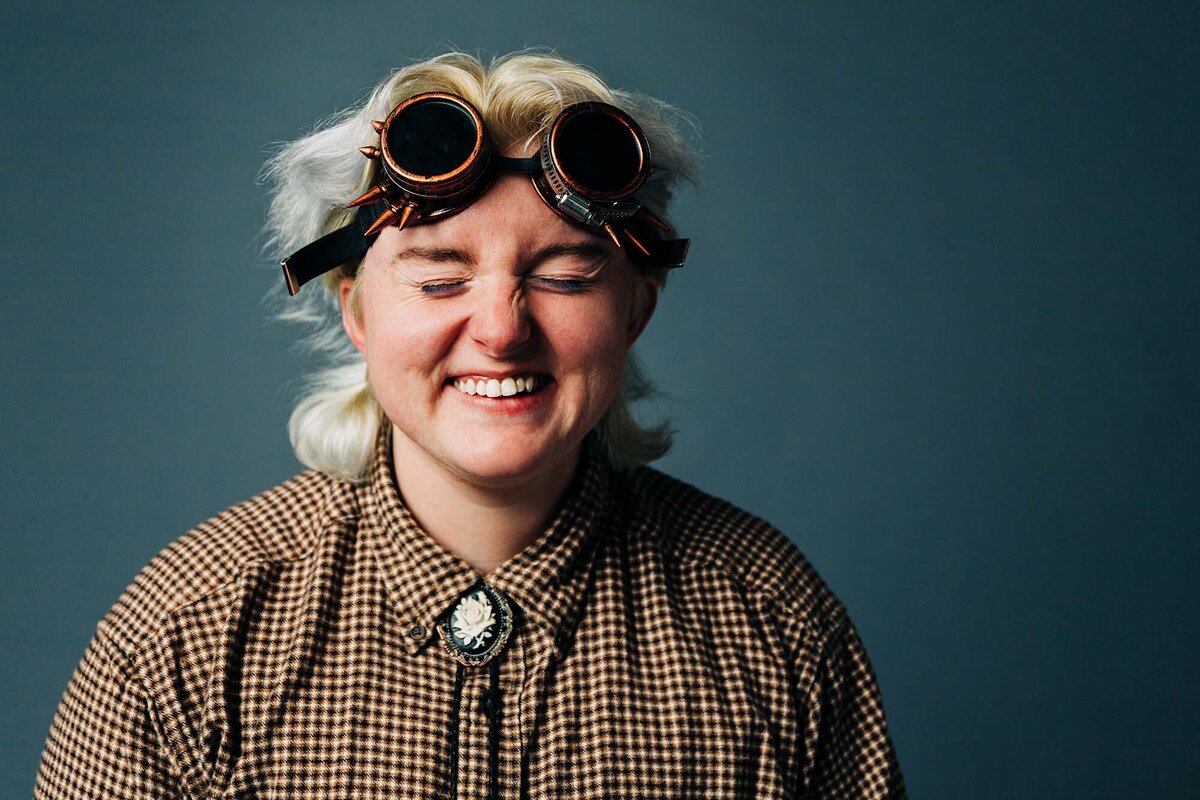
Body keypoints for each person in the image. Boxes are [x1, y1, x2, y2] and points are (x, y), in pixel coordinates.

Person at [35, 51, 906, 799]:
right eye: (440, 277)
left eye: (565, 274)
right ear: (358, 313)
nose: (501, 329)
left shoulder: (771, 621)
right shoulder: (191, 627)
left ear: (636, 308)